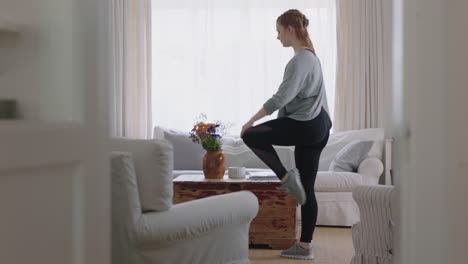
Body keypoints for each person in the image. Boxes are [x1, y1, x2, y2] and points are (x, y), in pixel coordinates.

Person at [240, 9, 332, 260]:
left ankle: (284, 177)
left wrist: (250, 121)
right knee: (307, 189)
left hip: (307, 124)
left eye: (279, 31)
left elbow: (282, 97)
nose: (278, 37)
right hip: (320, 127)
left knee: (250, 136)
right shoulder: (313, 57)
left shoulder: (300, 60)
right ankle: (305, 247)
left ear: (290, 29)